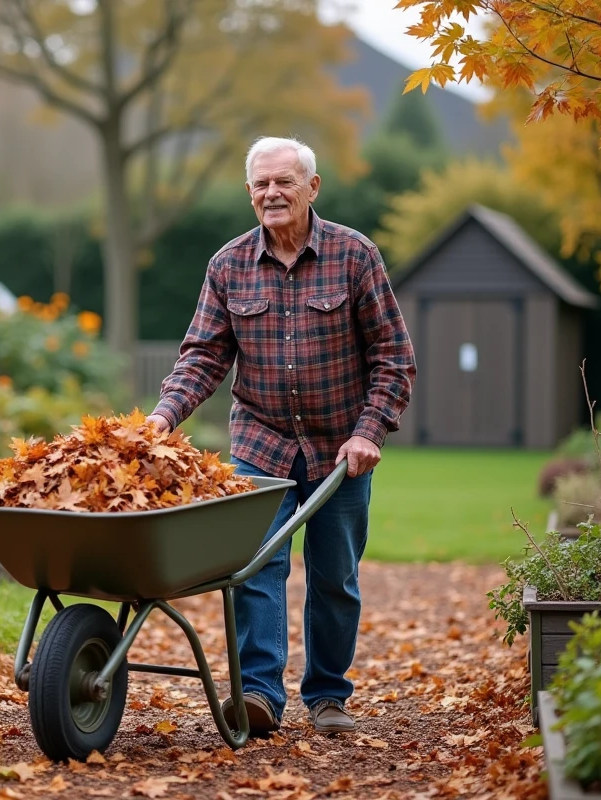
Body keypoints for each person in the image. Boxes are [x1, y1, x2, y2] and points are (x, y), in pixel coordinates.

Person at [146, 136, 416, 735]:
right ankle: (261, 695)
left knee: (334, 576)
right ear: (249, 194)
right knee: (255, 567)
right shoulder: (228, 265)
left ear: (312, 188)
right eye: (260, 185)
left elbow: (394, 356)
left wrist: (370, 430)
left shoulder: (354, 255)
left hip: (341, 448)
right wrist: (164, 415)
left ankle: (327, 695)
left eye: (283, 182)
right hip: (261, 442)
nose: (271, 193)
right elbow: (203, 357)